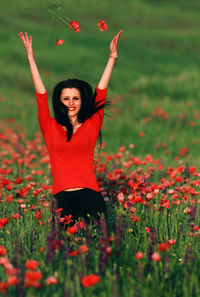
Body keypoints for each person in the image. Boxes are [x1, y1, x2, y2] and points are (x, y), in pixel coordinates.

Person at [19, 30, 123, 226]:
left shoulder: (91, 125)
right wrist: (30, 58)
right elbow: (40, 94)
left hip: (91, 198)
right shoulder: (50, 127)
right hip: (62, 200)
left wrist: (112, 57)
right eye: (66, 99)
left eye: (75, 98)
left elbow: (101, 92)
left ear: (82, 100)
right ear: (59, 101)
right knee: (64, 252)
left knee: (98, 252)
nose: (71, 103)